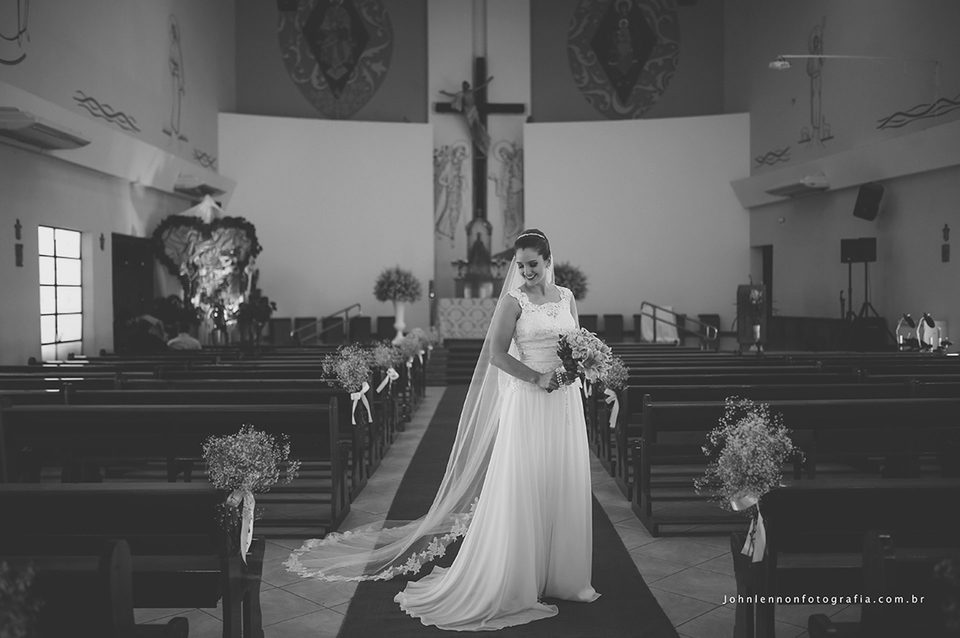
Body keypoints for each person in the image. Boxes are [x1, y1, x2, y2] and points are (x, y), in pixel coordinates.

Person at [286, 228, 599, 631]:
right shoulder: (512, 299)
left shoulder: (567, 298)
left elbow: (576, 342)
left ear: (548, 259)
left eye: (532, 265)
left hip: (564, 403)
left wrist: (584, 363)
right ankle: (520, 576)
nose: (526, 272)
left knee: (561, 481)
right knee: (525, 484)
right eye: (520, 266)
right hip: (530, 399)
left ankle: (563, 576)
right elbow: (496, 356)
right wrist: (537, 379)